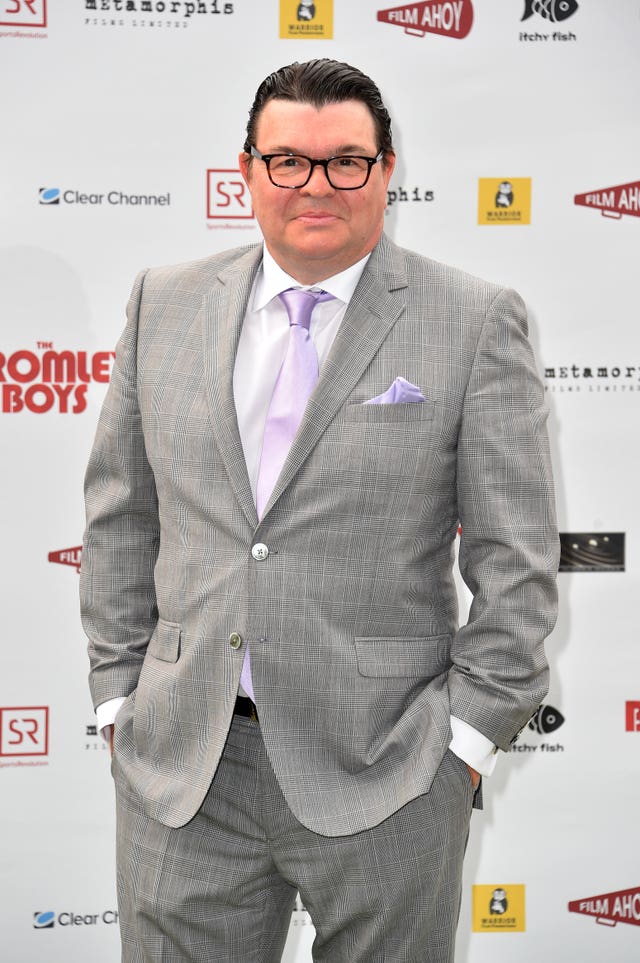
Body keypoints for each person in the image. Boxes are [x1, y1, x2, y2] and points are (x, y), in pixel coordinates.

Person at [80, 58, 559, 963]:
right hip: (183, 768)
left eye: (346, 161)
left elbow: (516, 562)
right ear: (248, 171)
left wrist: (458, 751)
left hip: (390, 768)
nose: (316, 185)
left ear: (385, 172)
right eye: (288, 161)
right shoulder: (164, 303)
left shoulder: (473, 319)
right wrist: (117, 702)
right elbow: (119, 518)